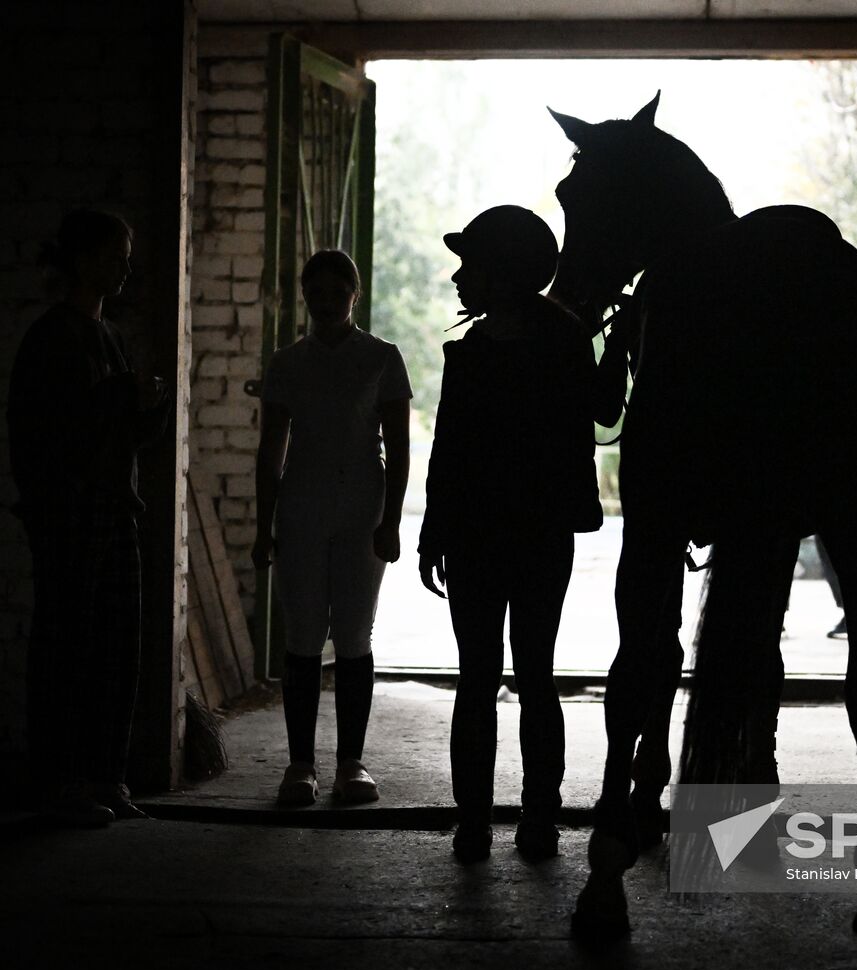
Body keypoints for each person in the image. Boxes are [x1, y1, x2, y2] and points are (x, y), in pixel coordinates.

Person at [419, 206, 601, 863]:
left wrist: (435, 532)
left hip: (478, 535)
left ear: (502, 271)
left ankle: (476, 826)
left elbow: (451, 452)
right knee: (534, 675)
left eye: (471, 264)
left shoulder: (475, 354)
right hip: (540, 534)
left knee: (480, 677)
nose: (459, 277)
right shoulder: (566, 339)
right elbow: (604, 410)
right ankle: (538, 822)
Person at [8, 208, 171, 826]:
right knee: (68, 649)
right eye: (115, 254)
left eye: (127, 254)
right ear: (81, 260)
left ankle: (106, 776)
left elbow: (122, 435)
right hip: (70, 513)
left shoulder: (110, 337)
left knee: (117, 648)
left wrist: (144, 408)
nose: (126, 265)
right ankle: (61, 783)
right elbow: (57, 433)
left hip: (113, 509)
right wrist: (125, 397)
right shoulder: (52, 338)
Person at [252, 249, 411, 807]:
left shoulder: (382, 359)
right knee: (301, 636)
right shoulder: (288, 363)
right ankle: (300, 764)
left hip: (361, 509)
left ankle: (351, 762)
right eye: (314, 294)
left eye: (335, 293)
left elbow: (399, 449)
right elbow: (270, 450)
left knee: (353, 635)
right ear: (305, 298)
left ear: (354, 293)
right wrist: (262, 524)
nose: (325, 303)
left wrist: (391, 521)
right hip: (300, 510)